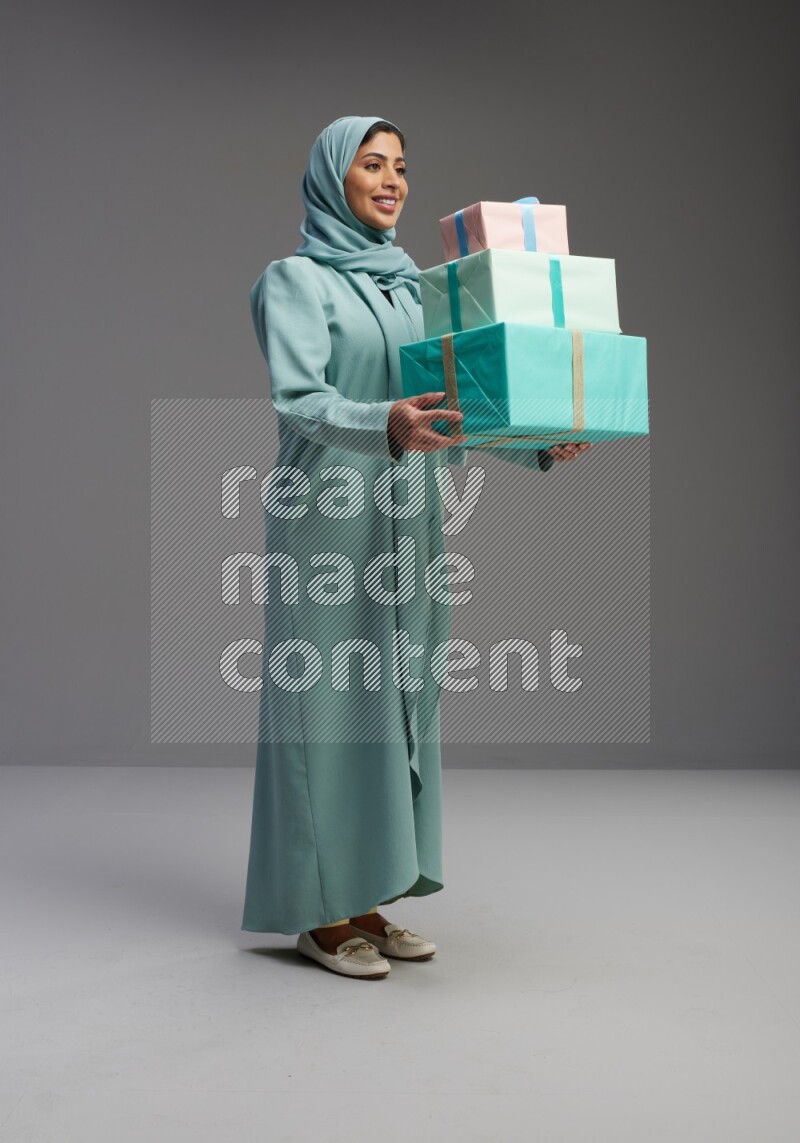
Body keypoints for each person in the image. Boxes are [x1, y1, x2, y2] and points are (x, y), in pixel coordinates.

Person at [241, 115, 591, 980]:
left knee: (397, 705)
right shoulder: (295, 280)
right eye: (372, 164)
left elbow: (453, 407)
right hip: (328, 514)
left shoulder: (416, 288)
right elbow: (298, 398)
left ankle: (367, 892)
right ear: (334, 177)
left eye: (401, 166)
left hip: (414, 515)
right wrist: (383, 422)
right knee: (326, 710)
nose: (392, 179)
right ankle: (317, 912)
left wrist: (537, 442)